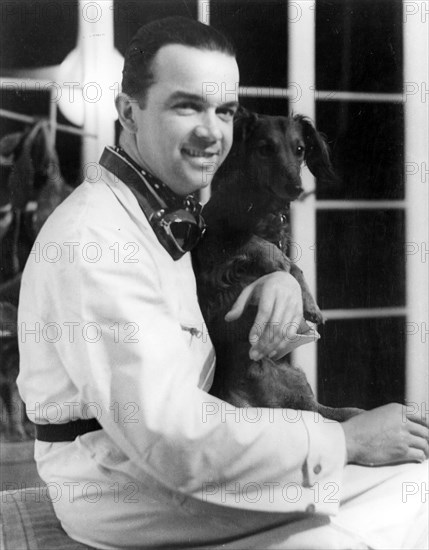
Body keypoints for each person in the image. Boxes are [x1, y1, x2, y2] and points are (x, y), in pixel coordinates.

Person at [17, 16, 428, 550]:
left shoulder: (154, 210)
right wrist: (344, 440)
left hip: (155, 461)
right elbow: (169, 437)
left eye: (225, 110)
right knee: (413, 490)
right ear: (127, 112)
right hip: (123, 483)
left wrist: (271, 285)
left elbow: (188, 338)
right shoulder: (94, 237)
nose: (213, 132)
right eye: (187, 105)